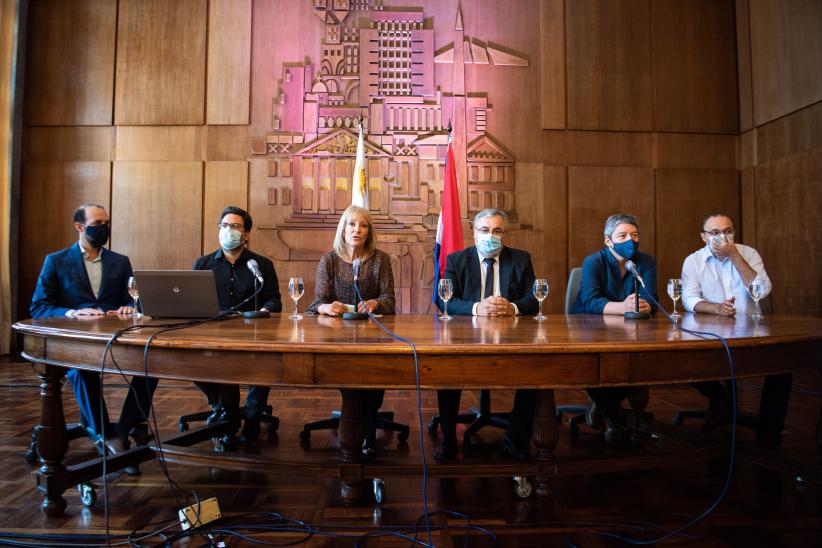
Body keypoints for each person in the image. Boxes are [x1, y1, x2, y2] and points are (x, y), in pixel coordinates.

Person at [30, 203, 157, 466]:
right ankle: (104, 434)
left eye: (106, 223)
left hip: (116, 340)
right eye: (98, 223)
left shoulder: (120, 262)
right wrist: (70, 313)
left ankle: (123, 429)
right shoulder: (56, 261)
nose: (104, 228)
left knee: (151, 365)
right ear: (80, 227)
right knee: (82, 368)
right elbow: (39, 306)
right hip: (76, 343)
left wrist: (128, 307)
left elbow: (133, 301)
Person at [435, 208, 539, 461]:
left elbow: (533, 300)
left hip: (511, 338)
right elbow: (443, 299)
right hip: (466, 337)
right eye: (484, 230)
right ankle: (449, 439)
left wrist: (512, 308)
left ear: (504, 234)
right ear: (474, 233)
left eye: (496, 230)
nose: (490, 235)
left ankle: (516, 439)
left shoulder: (521, 259)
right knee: (446, 371)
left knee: (535, 372)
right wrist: (476, 307)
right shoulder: (457, 260)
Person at [681, 212, 790, 447]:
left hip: (749, 329)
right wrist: (716, 308)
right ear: (703, 237)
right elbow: (689, 299)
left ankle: (770, 430)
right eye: (715, 232)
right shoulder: (693, 260)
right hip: (710, 332)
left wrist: (735, 255)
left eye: (728, 231)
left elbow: (762, 290)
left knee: (783, 364)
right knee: (682, 360)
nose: (723, 237)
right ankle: (720, 399)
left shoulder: (748, 253)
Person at [307, 205, 395, 450]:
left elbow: (390, 301)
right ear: (343, 229)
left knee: (372, 385)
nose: (357, 230)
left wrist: (376, 302)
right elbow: (317, 303)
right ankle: (357, 429)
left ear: (369, 232)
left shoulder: (380, 260)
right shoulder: (330, 260)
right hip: (338, 336)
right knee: (354, 388)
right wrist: (326, 308)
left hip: (373, 335)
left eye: (363, 225)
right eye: (352, 224)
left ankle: (362, 423)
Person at [193, 206, 282, 443]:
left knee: (266, 362)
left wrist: (264, 311)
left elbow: (274, 299)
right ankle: (222, 407)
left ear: (246, 234)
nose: (228, 230)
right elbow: (191, 301)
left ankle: (252, 416)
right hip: (213, 333)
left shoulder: (261, 265)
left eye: (235, 226)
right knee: (188, 359)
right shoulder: (203, 264)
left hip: (252, 333)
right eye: (224, 226)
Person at [571, 213, 657, 445]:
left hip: (631, 328)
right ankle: (613, 415)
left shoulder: (645, 261)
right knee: (598, 363)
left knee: (637, 361)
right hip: (590, 326)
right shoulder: (594, 261)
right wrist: (623, 307)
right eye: (623, 235)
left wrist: (645, 304)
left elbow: (651, 296)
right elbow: (590, 300)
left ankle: (604, 408)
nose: (630, 240)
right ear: (608, 241)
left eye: (634, 235)